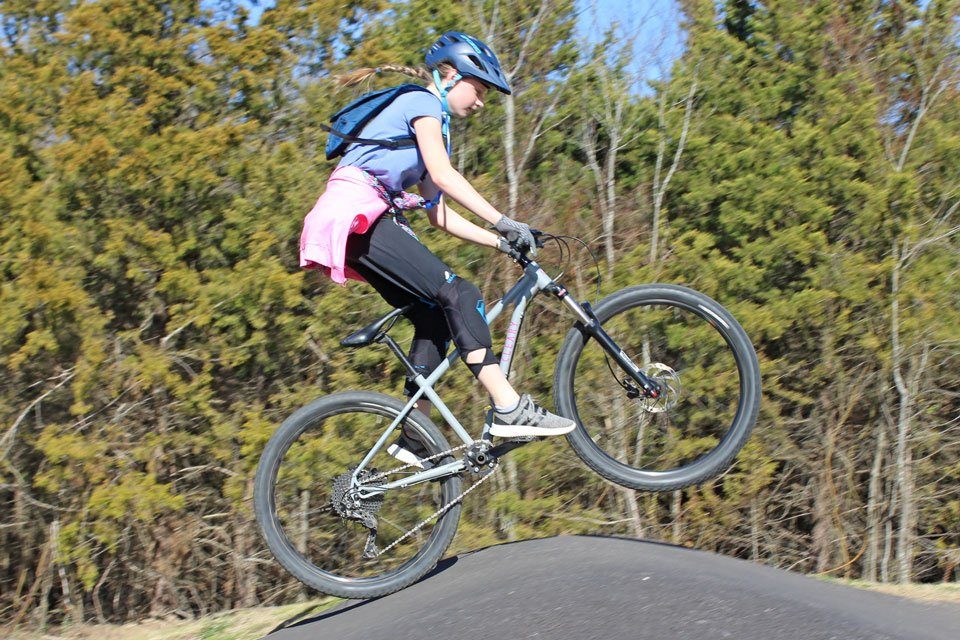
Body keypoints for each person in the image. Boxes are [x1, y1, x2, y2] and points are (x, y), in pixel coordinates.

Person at [299, 32, 575, 466]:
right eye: (478, 89)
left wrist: (503, 242)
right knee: (461, 295)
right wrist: (504, 219)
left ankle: (414, 437)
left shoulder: (436, 128)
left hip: (364, 220)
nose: (481, 102)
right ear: (449, 77)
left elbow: (439, 215)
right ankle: (508, 407)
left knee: (433, 317)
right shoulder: (421, 103)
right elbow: (445, 177)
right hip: (357, 213)